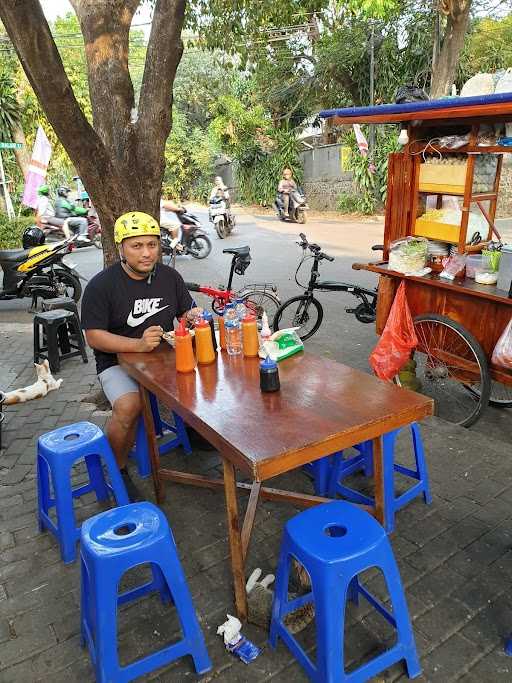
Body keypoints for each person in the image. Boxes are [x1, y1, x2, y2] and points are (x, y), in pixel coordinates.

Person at [81, 211, 202, 500]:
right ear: (121, 247)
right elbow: (94, 336)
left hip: (165, 357)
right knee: (128, 406)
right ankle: (118, 468)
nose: (147, 253)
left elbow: (185, 310)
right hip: (117, 363)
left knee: (207, 378)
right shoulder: (101, 285)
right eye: (137, 246)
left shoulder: (170, 277)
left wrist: (193, 315)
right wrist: (138, 345)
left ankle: (196, 434)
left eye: (152, 244)